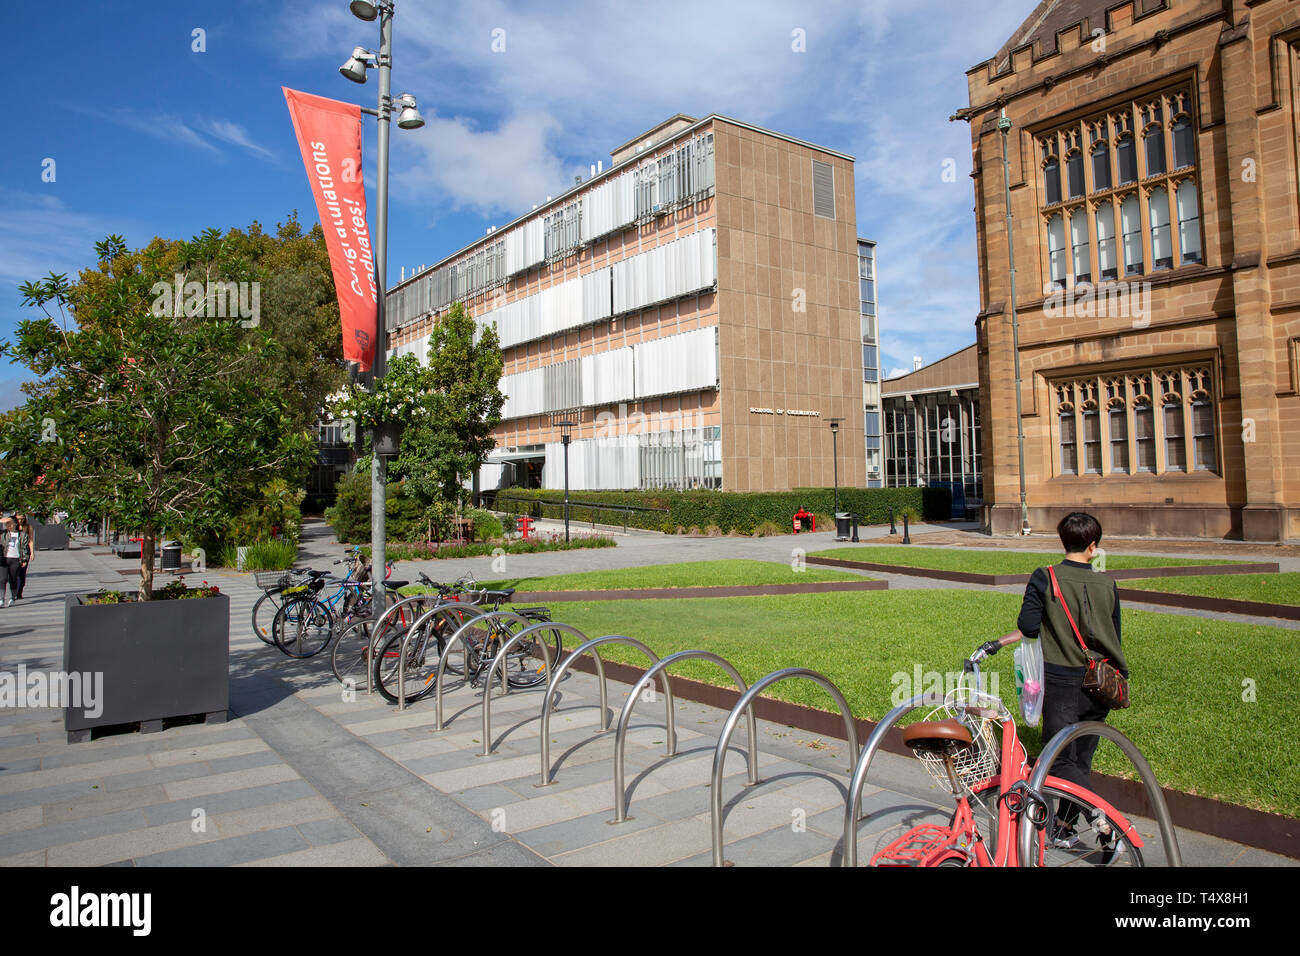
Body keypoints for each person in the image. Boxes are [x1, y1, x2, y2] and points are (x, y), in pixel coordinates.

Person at [1015, 511, 1128, 856]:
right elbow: (1116, 635)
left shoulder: (1045, 577)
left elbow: (1028, 626)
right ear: (1093, 546)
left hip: (1061, 678)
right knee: (1080, 758)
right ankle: (1063, 830)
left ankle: (1100, 816)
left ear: (1063, 541)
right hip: (1103, 680)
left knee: (1059, 758)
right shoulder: (1107, 583)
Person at [0, 515, 22, 608]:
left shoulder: (21, 534)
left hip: (15, 559)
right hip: (4, 559)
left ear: (15, 523)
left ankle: (12, 598)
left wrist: (24, 559)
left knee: (13, 579)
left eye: (10, 523)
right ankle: (1, 599)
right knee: (2, 579)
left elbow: (24, 548)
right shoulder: (3, 533)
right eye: (7, 523)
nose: (8, 525)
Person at [13, 513, 35, 599]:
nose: (20, 521)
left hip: (25, 552)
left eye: (22, 518)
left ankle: (19, 592)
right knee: (15, 573)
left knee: (22, 573)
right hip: (14, 552)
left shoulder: (28, 527)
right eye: (18, 519)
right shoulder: (13, 526)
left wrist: (32, 553)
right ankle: (14, 592)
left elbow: (31, 540)